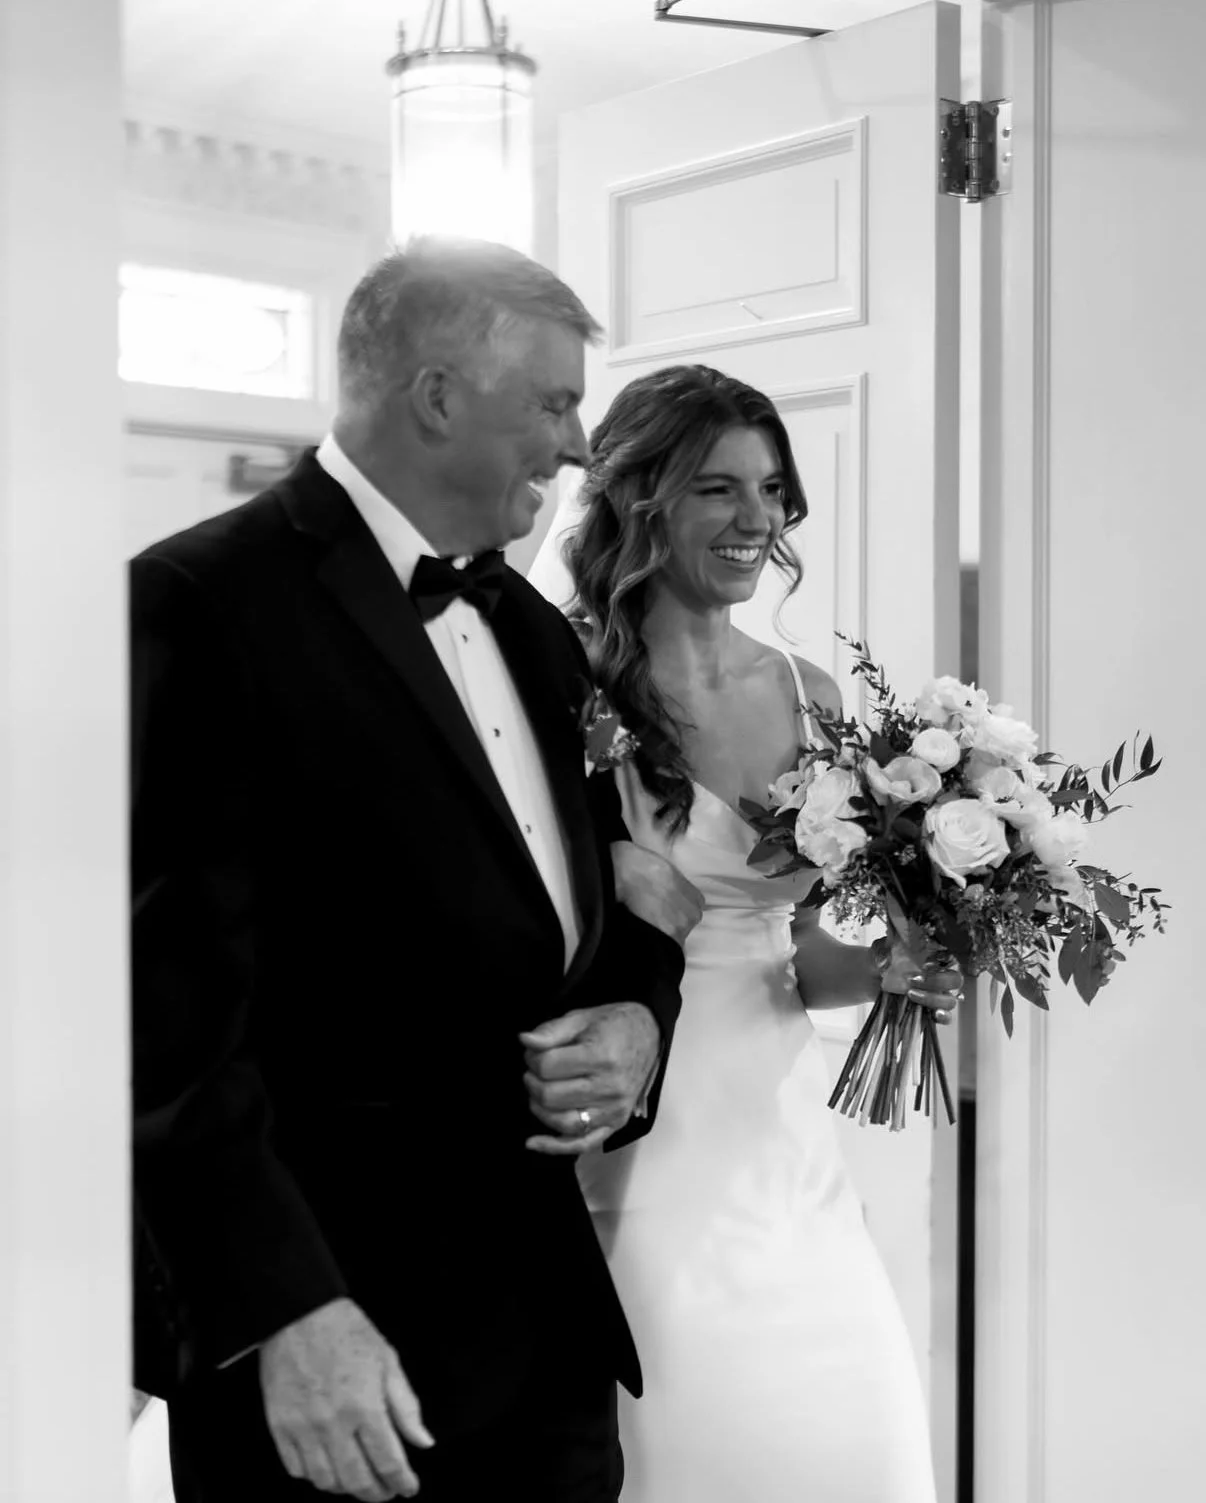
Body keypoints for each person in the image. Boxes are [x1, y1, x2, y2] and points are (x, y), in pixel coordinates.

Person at [130, 238, 700, 1503]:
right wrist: (285, 1313)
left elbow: (606, 902)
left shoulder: (538, 630)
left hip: (547, 1333)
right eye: (553, 404)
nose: (574, 447)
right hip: (340, 1351)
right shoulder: (196, 604)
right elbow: (161, 1027)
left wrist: (638, 1022)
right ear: (439, 395)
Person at [530, 363, 961, 1503]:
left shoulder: (811, 694)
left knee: (845, 1423)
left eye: (771, 490)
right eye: (719, 488)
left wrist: (890, 967)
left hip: (781, 1140)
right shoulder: (554, 673)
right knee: (677, 1430)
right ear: (641, 496)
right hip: (629, 1126)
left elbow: (800, 957)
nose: (757, 520)